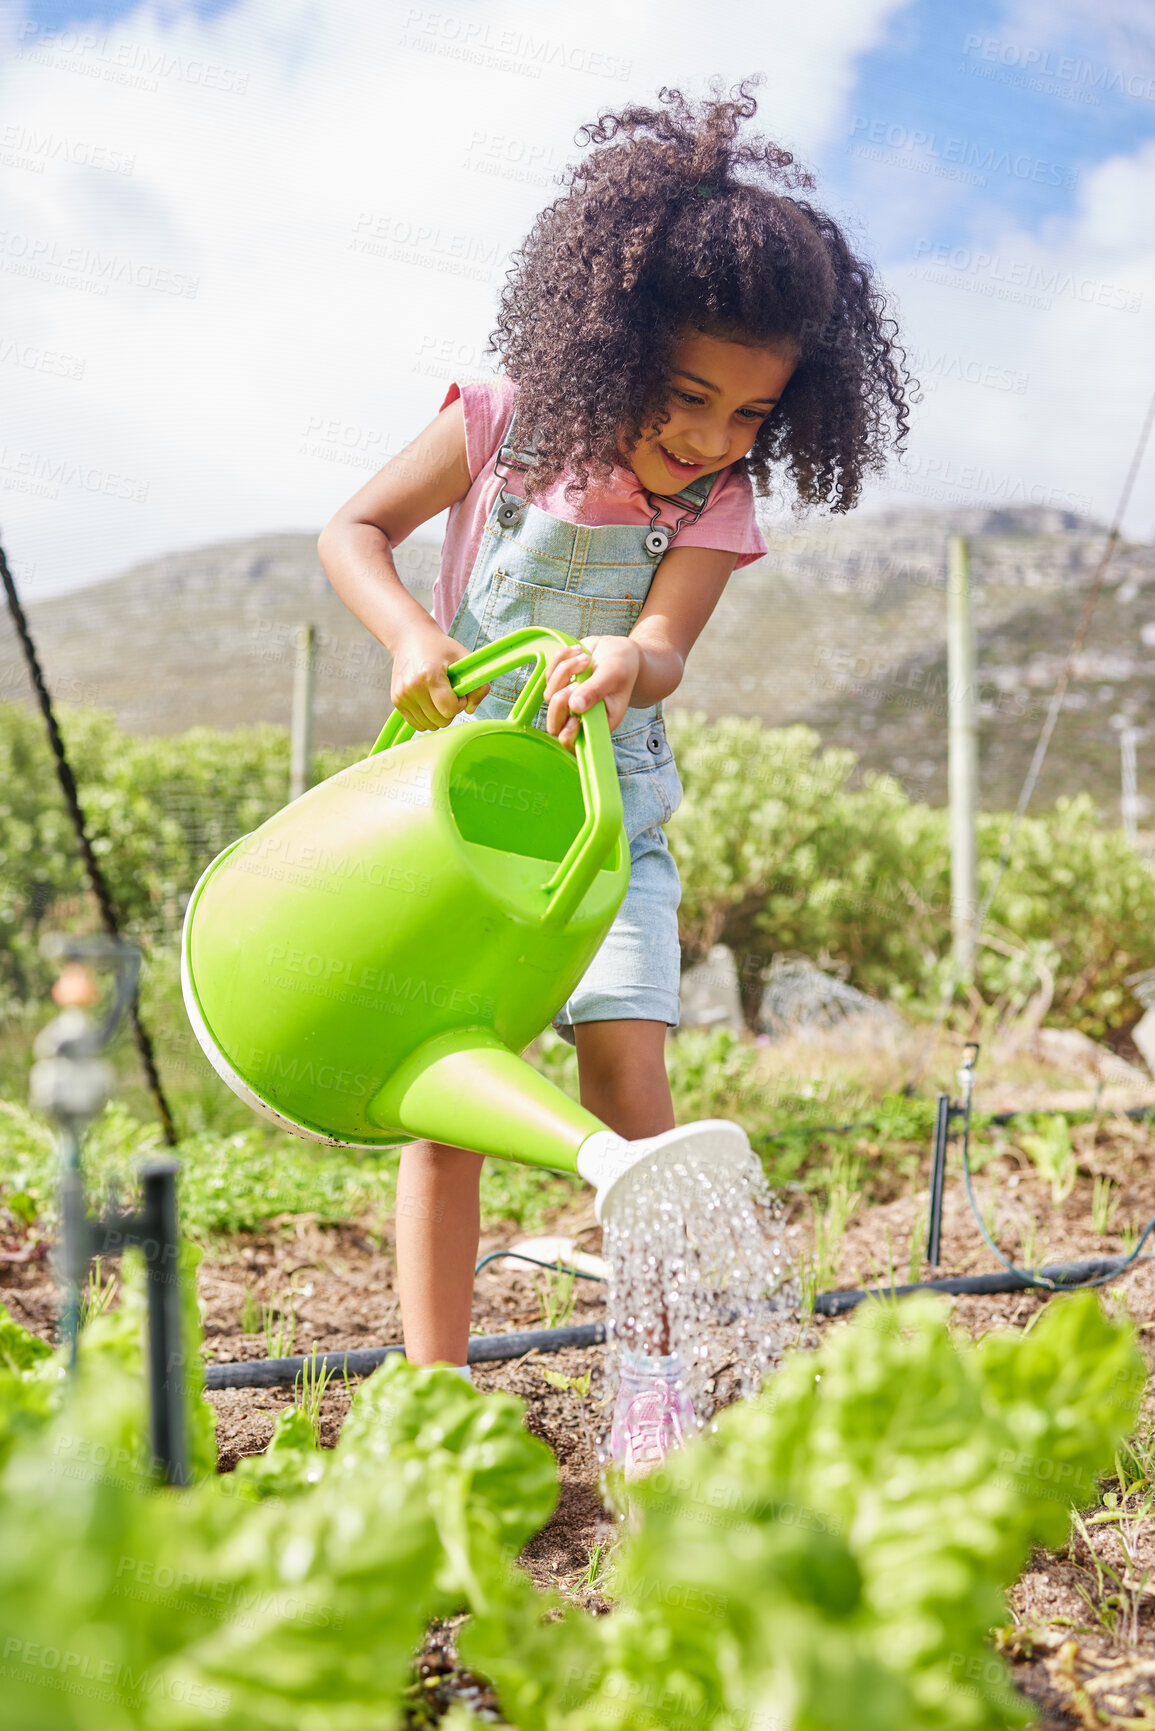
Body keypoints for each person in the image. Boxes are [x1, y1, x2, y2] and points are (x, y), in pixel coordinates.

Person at [318, 79, 911, 1476]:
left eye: (752, 416)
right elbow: (353, 527)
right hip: (453, 825)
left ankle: (650, 1389)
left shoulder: (712, 501)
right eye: (691, 397)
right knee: (444, 1098)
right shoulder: (498, 423)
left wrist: (622, 667)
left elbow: (666, 644)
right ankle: (438, 1394)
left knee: (629, 1096)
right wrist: (409, 630)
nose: (711, 438)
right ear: (611, 342)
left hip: (612, 818)